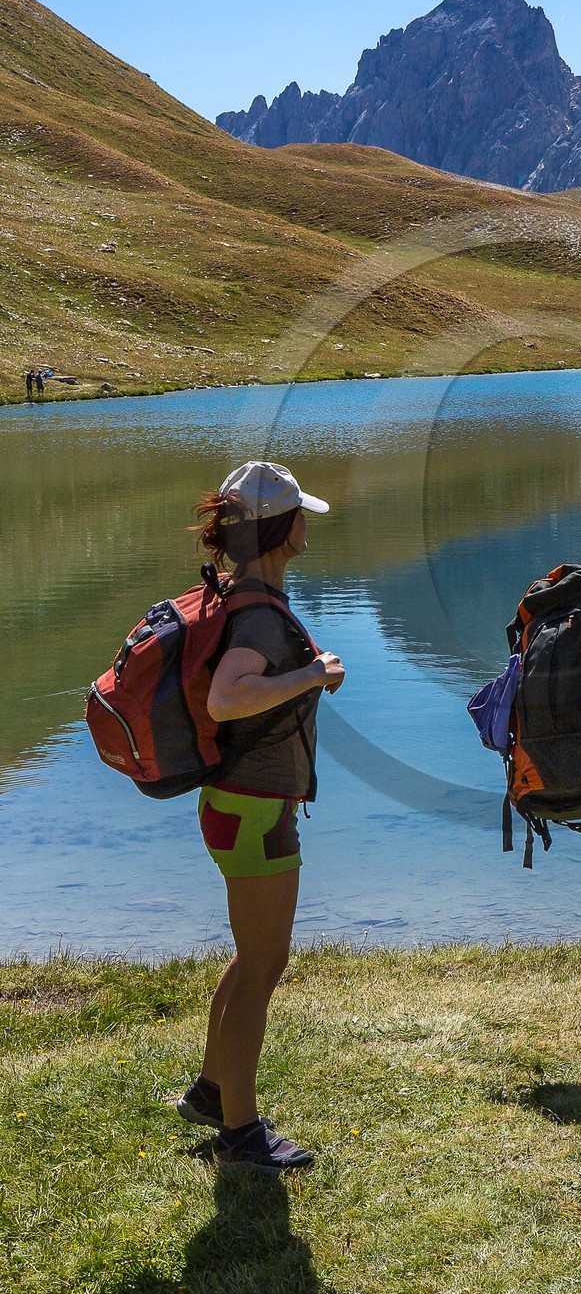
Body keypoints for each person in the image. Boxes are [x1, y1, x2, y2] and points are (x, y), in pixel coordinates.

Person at [176, 460, 345, 1173]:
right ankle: (242, 1136)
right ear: (280, 530)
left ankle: (214, 1092)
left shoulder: (240, 597)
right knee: (263, 966)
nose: (308, 523)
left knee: (252, 959)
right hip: (253, 811)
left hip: (235, 806)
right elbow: (225, 698)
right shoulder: (258, 617)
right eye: (299, 514)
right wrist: (312, 674)